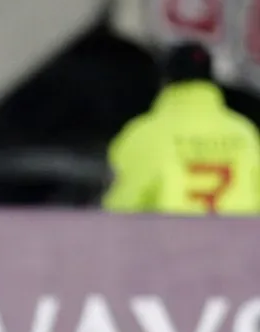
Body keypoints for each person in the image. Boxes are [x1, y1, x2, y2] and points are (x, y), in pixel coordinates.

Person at [102, 41, 260, 215]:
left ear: (165, 81)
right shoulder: (245, 133)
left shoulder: (143, 134)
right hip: (238, 240)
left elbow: (121, 207)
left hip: (167, 241)